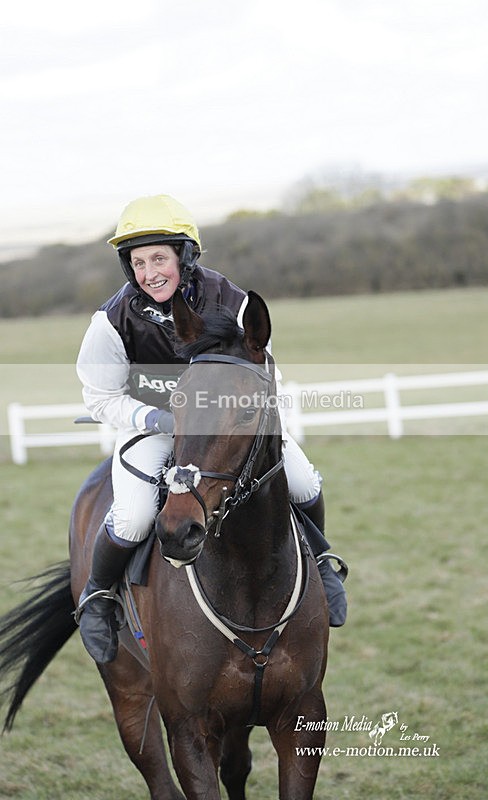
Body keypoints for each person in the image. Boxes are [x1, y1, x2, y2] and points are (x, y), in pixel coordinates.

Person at [76, 194, 347, 664]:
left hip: (227, 423)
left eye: (159, 257)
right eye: (138, 262)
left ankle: (321, 562)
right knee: (135, 514)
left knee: (302, 481)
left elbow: (265, 373)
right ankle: (98, 598)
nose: (149, 272)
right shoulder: (111, 321)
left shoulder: (235, 301)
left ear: (184, 255)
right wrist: (161, 420)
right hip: (155, 425)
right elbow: (99, 397)